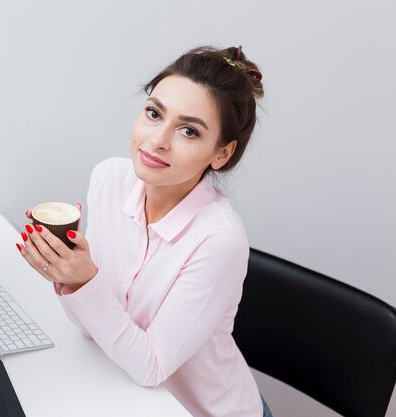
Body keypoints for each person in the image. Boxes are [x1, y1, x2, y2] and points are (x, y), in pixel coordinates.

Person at [15, 45, 271, 417]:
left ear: (222, 153)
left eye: (188, 130)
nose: (158, 139)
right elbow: (92, 332)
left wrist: (85, 282)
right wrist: (66, 276)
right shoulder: (110, 179)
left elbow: (151, 366)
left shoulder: (220, 239)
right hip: (132, 399)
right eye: (154, 113)